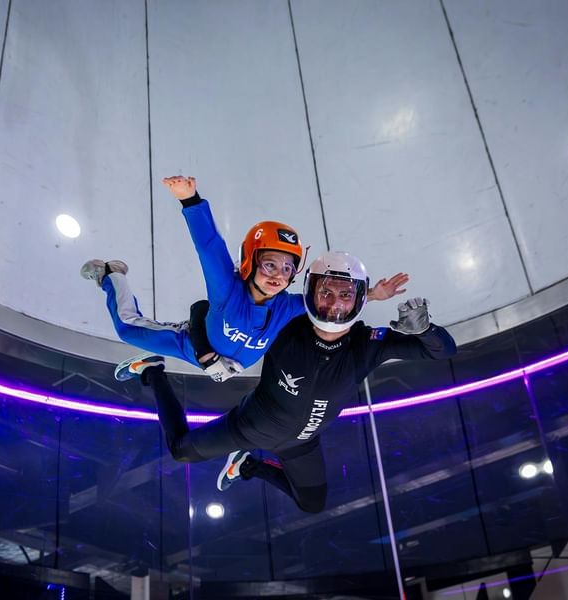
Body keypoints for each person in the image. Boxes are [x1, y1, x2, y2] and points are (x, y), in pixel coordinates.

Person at [121, 251, 457, 513]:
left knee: (311, 504)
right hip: (248, 426)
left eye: (345, 295)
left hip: (301, 444)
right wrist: (205, 352)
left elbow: (442, 352)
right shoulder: (284, 325)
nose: (335, 303)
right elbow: (202, 309)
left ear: (358, 300)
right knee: (181, 451)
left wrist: (425, 329)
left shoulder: (371, 342)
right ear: (311, 292)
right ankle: (152, 372)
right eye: (326, 292)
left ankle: (248, 465)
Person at [81, 176, 408, 382]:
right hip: (191, 346)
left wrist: (375, 295)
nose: (278, 276)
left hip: (222, 368)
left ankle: (148, 366)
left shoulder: (291, 306)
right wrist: (191, 201)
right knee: (127, 330)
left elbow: (328, 305)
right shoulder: (228, 289)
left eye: (286, 269)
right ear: (251, 262)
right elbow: (209, 248)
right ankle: (113, 274)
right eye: (269, 265)